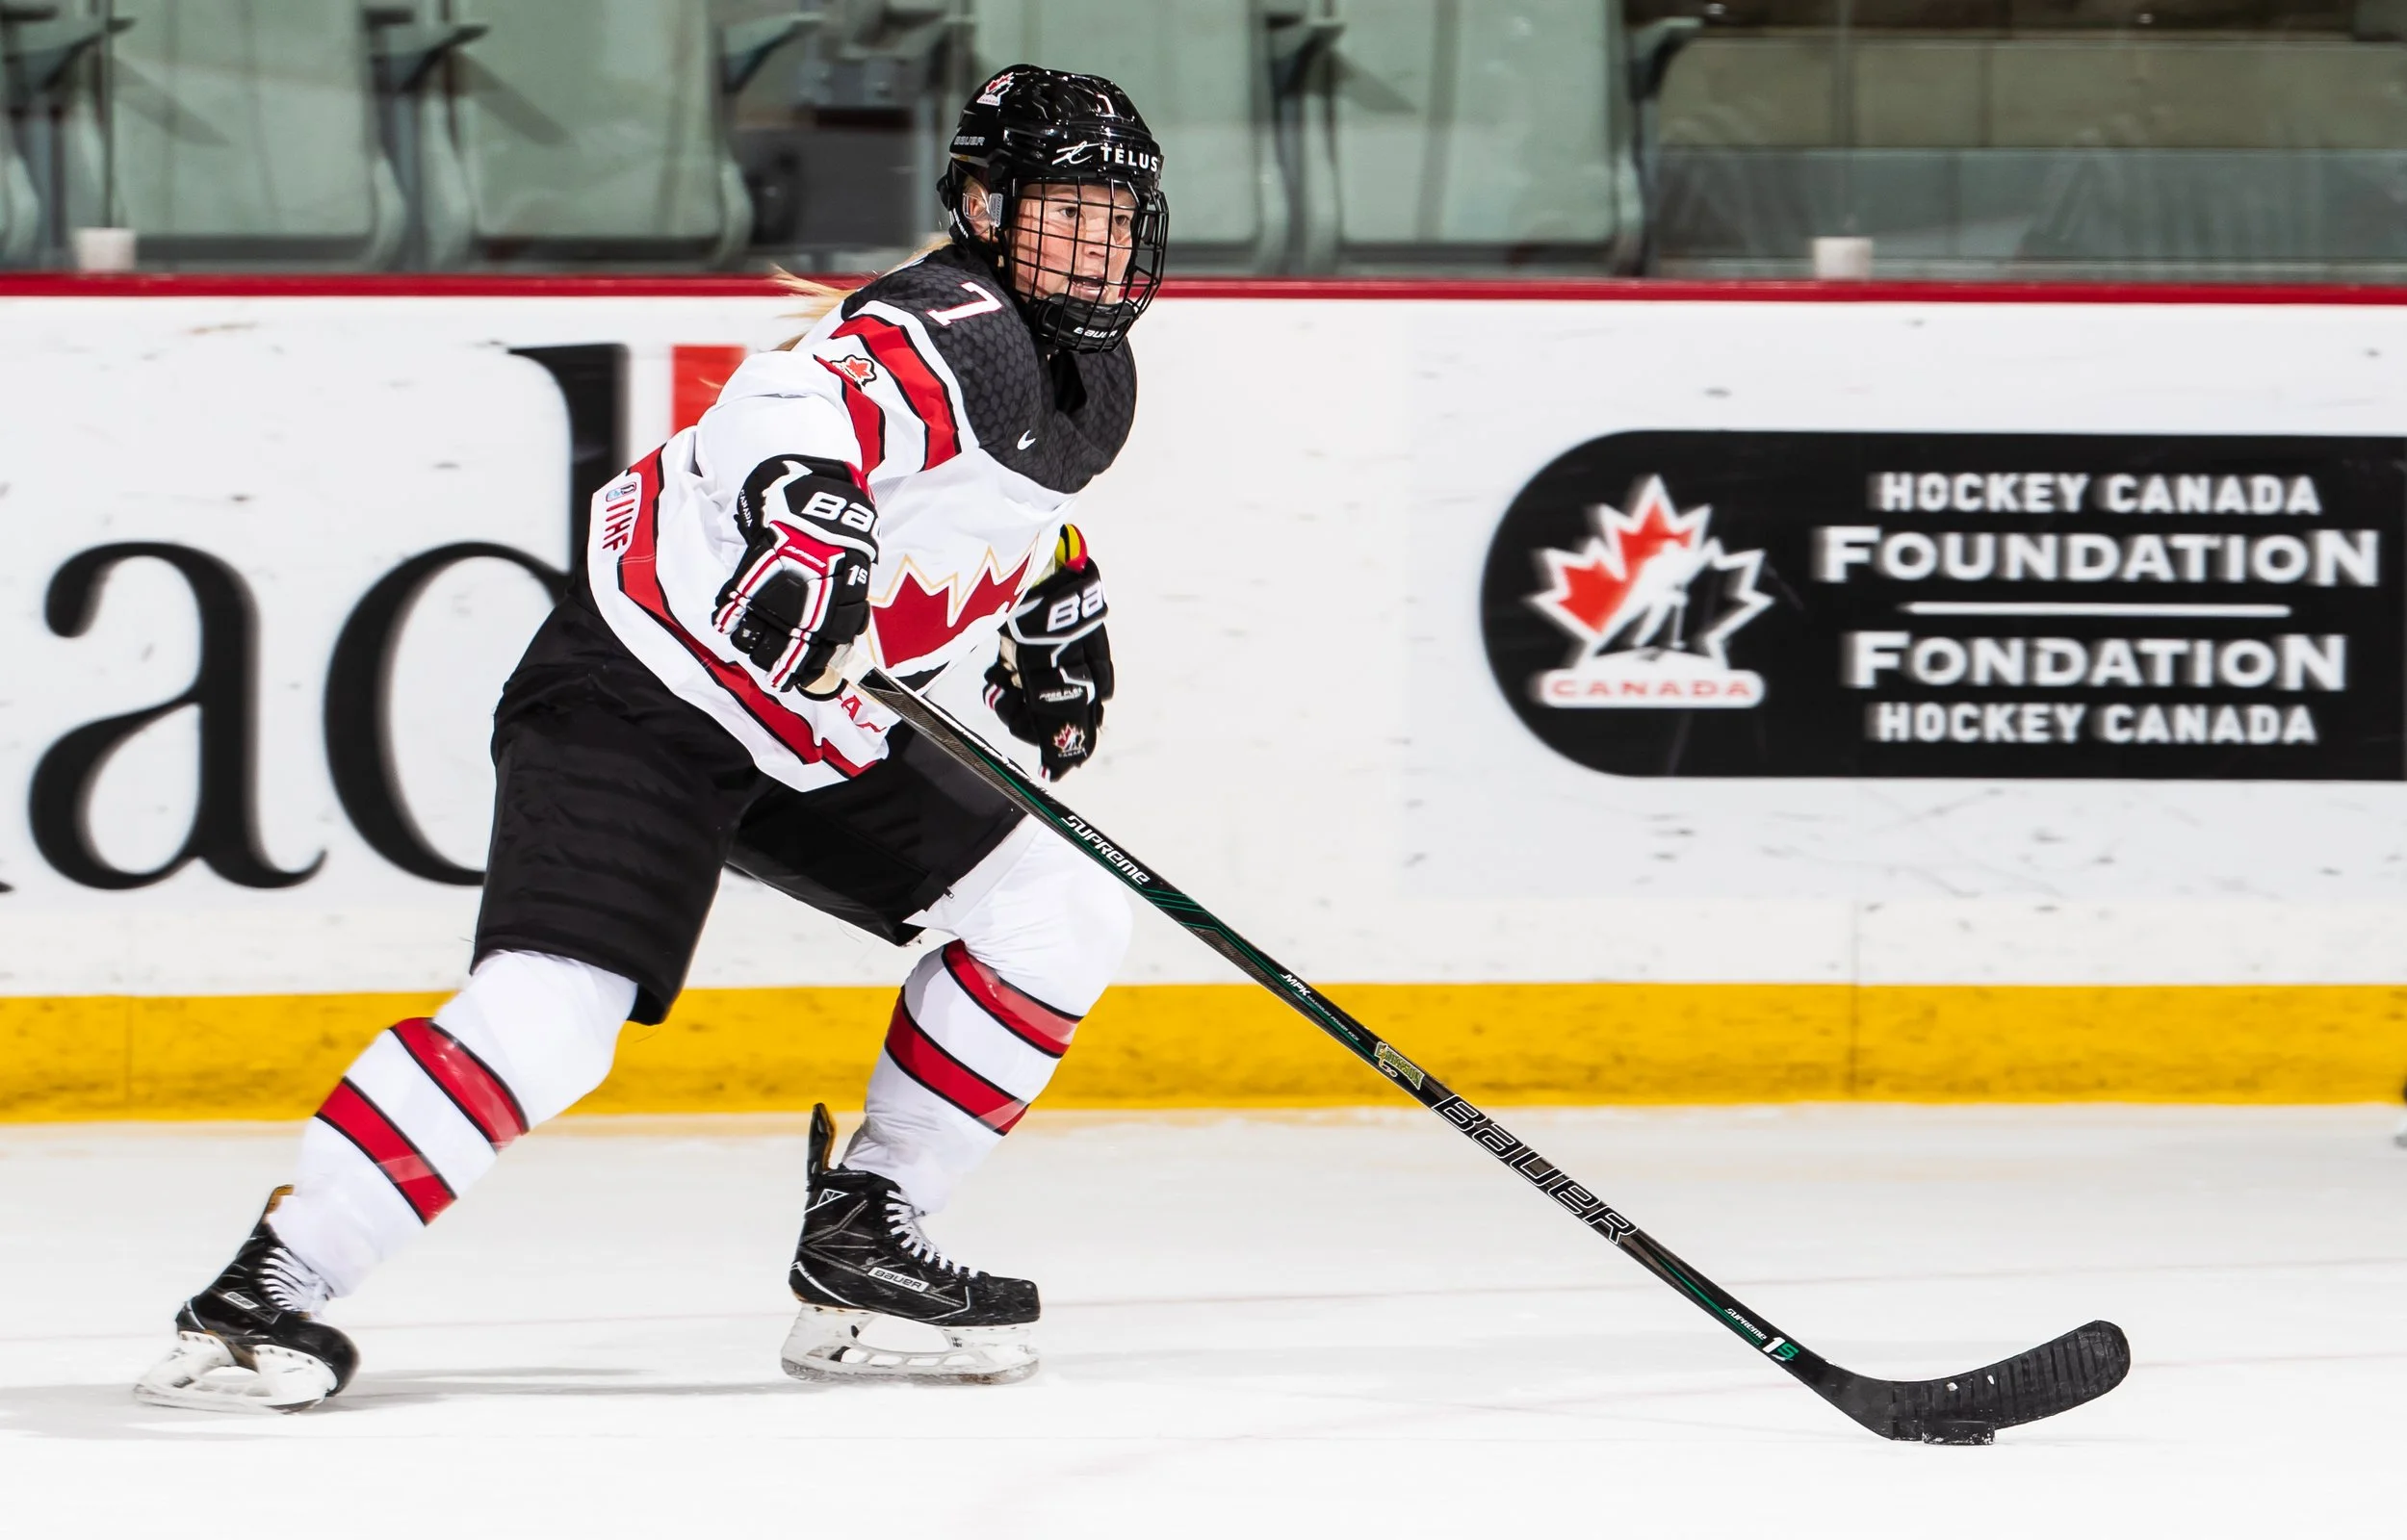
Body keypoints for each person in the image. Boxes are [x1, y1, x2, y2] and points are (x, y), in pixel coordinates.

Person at [133, 64, 1169, 1411]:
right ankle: (266, 1292)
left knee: (1059, 911)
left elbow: (980, 503)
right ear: (979, 209)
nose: (1094, 245)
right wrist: (805, 509)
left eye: (1114, 215)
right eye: (1060, 212)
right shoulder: (951, 322)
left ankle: (866, 1239)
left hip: (806, 722)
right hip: (645, 689)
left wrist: (1055, 592)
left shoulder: (1091, 378)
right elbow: (793, 405)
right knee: (558, 1016)